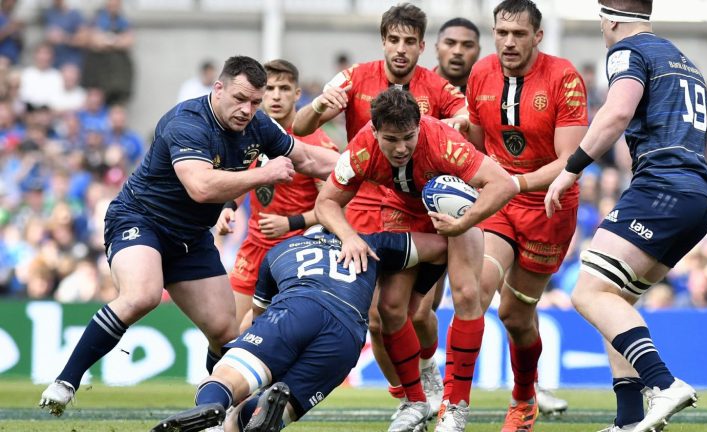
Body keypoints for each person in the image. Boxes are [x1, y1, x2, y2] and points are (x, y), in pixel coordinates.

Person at [39, 55, 339, 417]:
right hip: (140, 219)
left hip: (191, 237)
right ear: (218, 89)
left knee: (225, 330)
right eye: (240, 99)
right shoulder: (188, 122)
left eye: (254, 102)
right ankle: (66, 381)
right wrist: (265, 174)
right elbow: (200, 186)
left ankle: (214, 410)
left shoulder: (258, 125)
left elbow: (306, 158)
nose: (248, 109)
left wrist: (365, 163)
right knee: (143, 295)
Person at [544, 1, 707, 431]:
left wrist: (571, 170)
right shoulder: (685, 62)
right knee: (616, 298)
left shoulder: (629, 51)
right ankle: (628, 419)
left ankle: (663, 384)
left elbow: (618, 111)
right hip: (699, 196)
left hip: (663, 187)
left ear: (608, 19)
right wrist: (687, 182)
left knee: (588, 293)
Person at [293, 2, 468, 422]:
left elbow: (465, 117)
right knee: (378, 318)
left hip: (421, 207)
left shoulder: (436, 87)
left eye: (410, 41)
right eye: (394, 40)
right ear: (383, 42)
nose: (401, 49)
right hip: (364, 201)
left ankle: (427, 374)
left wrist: (459, 123)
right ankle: (408, 393)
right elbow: (299, 127)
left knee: (418, 311)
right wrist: (320, 105)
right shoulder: (354, 78)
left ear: (422, 46)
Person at [315, 88, 518, 432]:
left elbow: (504, 185)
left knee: (467, 296)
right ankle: (416, 400)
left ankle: (455, 409)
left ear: (419, 127)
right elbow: (326, 203)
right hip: (403, 212)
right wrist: (349, 236)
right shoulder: (361, 149)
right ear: (375, 131)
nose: (400, 148)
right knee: (389, 310)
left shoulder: (442, 142)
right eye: (391, 139)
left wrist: (463, 222)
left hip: (457, 212)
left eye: (408, 137)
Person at [150, 226, 449, 432]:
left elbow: (256, 318)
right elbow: (439, 247)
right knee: (277, 411)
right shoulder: (369, 243)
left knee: (227, 379)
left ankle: (214, 409)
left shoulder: (281, 250)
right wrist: (419, 295)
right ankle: (257, 413)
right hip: (347, 336)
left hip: (296, 308)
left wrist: (236, 362)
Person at [454, 1, 589, 431]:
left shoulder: (564, 77)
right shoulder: (480, 73)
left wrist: (517, 183)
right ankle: (453, 407)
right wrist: (460, 135)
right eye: (501, 32)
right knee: (475, 288)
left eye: (518, 33)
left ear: (538, 36)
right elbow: (477, 142)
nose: (508, 41)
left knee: (514, 315)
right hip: (500, 200)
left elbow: (570, 161)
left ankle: (524, 395)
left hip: (549, 206)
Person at [216, 59, 339, 330]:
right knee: (230, 331)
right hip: (255, 245)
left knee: (256, 331)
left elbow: (335, 208)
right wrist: (228, 207)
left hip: (296, 250)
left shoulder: (317, 145)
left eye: (284, 88)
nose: (275, 96)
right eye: (269, 89)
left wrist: (291, 223)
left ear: (297, 94)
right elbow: (244, 177)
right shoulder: (251, 132)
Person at [434, 17, 481, 94]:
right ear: (437, 48)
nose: (458, 51)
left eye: (468, 45)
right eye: (450, 43)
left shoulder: (491, 92)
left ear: (478, 52)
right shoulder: (415, 89)